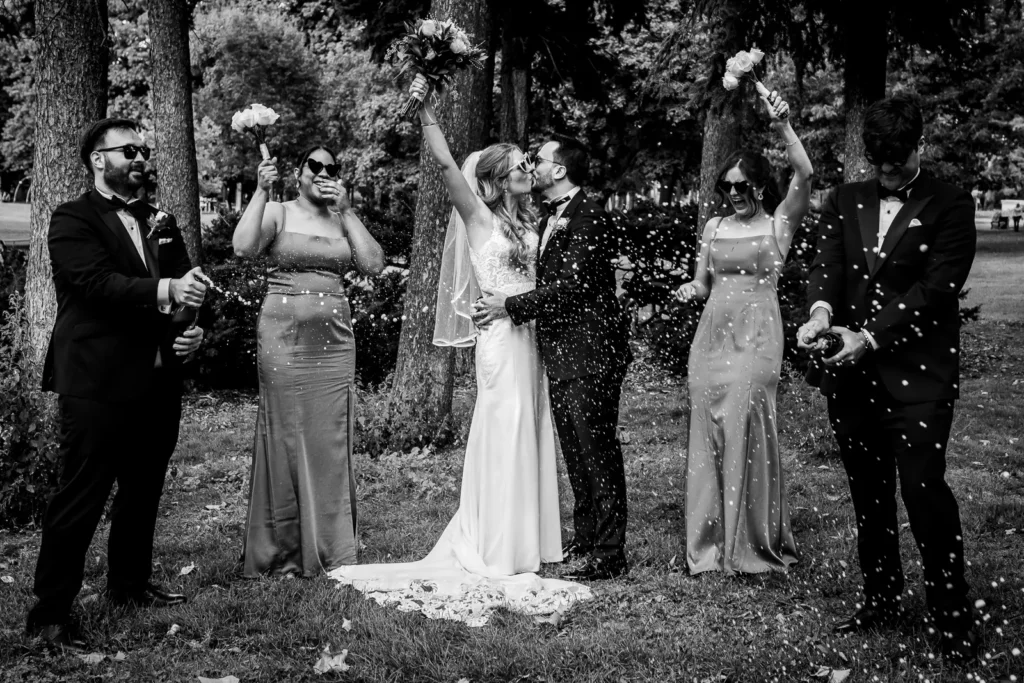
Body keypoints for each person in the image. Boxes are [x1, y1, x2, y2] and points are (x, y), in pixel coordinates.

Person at [328, 75, 590, 625]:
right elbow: (448, 166)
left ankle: (527, 546)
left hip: (530, 338)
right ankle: (495, 545)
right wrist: (426, 110)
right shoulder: (479, 218)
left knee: (530, 426)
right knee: (505, 424)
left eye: (528, 164)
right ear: (494, 179)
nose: (527, 170)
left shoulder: (529, 223)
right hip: (499, 342)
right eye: (519, 165)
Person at [797, 94, 977, 664]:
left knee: (923, 491)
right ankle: (881, 596)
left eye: (898, 163)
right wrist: (821, 314)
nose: (889, 172)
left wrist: (869, 337)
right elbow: (825, 265)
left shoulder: (951, 204)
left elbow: (936, 290)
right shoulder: (844, 198)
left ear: (919, 145)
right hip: (852, 379)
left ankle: (952, 615)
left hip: (918, 374)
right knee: (868, 493)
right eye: (880, 163)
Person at [27, 118, 207, 650]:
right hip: (97, 380)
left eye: (144, 150)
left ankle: (128, 586)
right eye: (128, 150)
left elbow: (189, 288)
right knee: (80, 496)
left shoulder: (160, 219)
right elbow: (98, 285)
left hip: (157, 377)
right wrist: (169, 288)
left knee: (144, 489)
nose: (140, 158)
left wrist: (191, 332)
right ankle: (50, 616)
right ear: (97, 159)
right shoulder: (70, 219)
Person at [473, 141, 633, 582]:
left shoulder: (589, 216)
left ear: (558, 170)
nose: (532, 165)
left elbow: (575, 288)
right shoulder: (548, 217)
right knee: (576, 451)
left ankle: (609, 552)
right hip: (560, 353)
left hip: (591, 350)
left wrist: (512, 304)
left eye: (538, 160)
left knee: (596, 449)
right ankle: (586, 538)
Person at [673, 92, 811, 575]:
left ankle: (751, 541)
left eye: (742, 185)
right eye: (727, 186)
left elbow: (805, 175)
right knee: (709, 427)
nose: (734, 194)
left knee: (746, 421)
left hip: (757, 336)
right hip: (712, 334)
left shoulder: (778, 225)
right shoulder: (712, 226)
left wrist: (784, 126)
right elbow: (702, 281)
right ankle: (710, 543)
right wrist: (688, 292)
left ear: (758, 184)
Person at [233, 146, 384, 577]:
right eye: (314, 166)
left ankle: (333, 547)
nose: (323, 172)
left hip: (335, 344)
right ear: (298, 174)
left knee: (329, 438)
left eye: (331, 167)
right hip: (283, 339)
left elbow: (373, 264)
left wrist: (349, 212)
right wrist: (261, 192)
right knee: (285, 435)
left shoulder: (341, 216)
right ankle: (281, 548)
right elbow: (243, 248)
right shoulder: (279, 211)